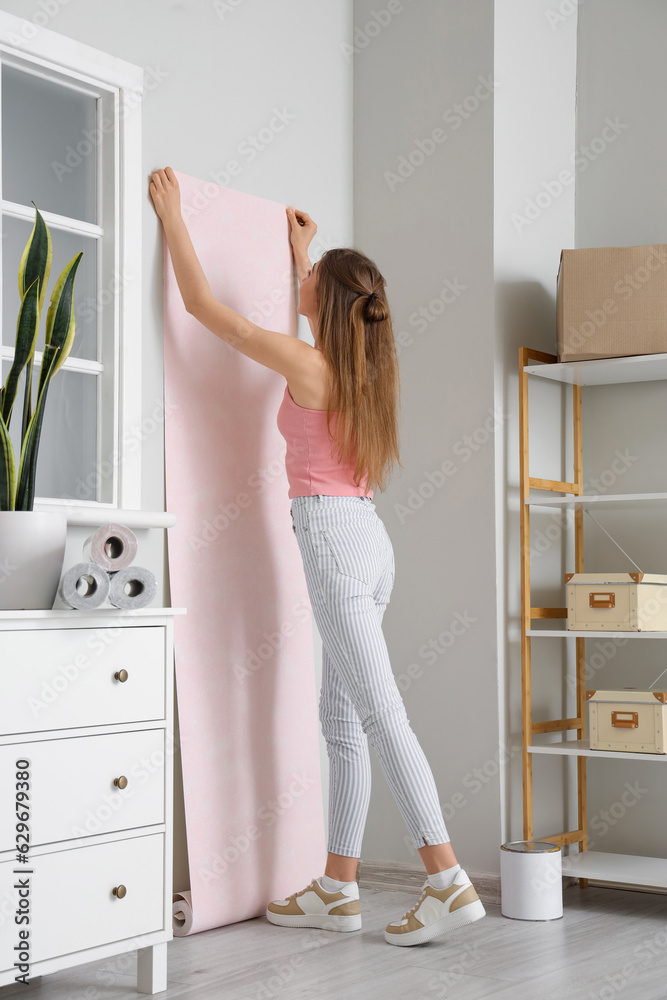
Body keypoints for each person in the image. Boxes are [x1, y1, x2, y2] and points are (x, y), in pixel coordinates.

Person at [149, 166, 485, 947]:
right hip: (366, 538)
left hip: (332, 540)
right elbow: (313, 322)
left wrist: (172, 216)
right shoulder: (364, 370)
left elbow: (205, 310)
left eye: (309, 282)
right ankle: (338, 887)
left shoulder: (310, 367)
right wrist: (303, 254)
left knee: (377, 711)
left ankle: (444, 878)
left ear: (326, 304)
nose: (298, 288)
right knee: (340, 719)